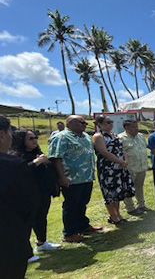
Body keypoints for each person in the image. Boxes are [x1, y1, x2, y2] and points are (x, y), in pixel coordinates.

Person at [49, 115, 102, 242]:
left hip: (86, 177)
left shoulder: (85, 137)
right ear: (70, 123)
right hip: (71, 178)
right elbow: (56, 159)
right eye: (81, 122)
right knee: (71, 205)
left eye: (85, 122)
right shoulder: (61, 137)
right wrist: (62, 178)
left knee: (82, 203)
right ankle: (69, 233)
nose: (85, 124)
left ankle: (83, 225)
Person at [12, 130, 61, 262]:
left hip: (42, 193)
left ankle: (42, 243)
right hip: (28, 195)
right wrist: (36, 162)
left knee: (41, 218)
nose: (34, 140)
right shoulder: (17, 156)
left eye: (35, 138)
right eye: (30, 139)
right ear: (22, 141)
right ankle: (25, 253)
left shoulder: (37, 152)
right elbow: (21, 172)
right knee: (28, 222)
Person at [0, 115, 37, 279]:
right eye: (9, 133)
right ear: (2, 135)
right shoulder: (13, 165)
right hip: (8, 240)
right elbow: (29, 203)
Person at [93, 115, 135, 224]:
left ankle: (118, 214)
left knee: (118, 191)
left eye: (111, 122)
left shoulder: (114, 135)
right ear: (100, 124)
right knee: (110, 192)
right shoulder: (99, 136)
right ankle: (112, 216)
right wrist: (120, 161)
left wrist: (125, 160)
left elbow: (122, 149)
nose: (110, 124)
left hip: (119, 168)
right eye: (107, 122)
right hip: (108, 169)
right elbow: (105, 153)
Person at [118, 119, 150, 216]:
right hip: (129, 168)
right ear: (126, 128)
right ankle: (130, 208)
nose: (137, 129)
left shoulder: (140, 136)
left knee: (139, 187)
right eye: (134, 127)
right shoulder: (120, 138)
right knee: (128, 188)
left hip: (141, 166)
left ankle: (141, 205)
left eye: (137, 126)